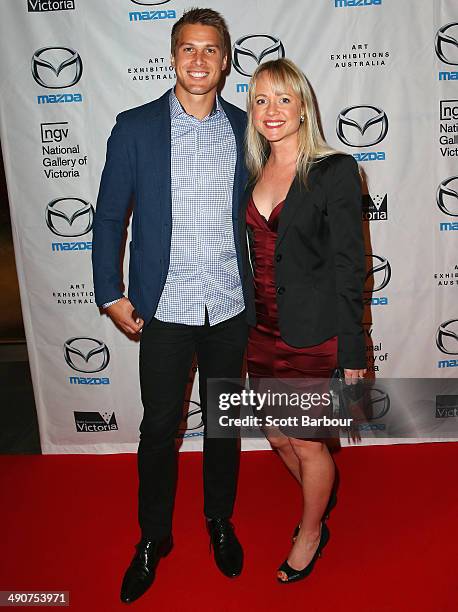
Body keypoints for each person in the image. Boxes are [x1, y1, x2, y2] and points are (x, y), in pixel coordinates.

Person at [92, 8, 251, 603]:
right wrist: (110, 290)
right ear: (173, 56)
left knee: (223, 426)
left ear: (226, 59)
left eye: (211, 49)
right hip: (163, 308)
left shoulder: (245, 128)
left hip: (231, 308)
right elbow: (109, 215)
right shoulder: (135, 127)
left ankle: (218, 521)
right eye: (189, 48)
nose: (199, 60)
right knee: (160, 429)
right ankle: (154, 539)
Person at [240, 58, 366, 583]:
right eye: (262, 100)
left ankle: (311, 530)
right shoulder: (249, 171)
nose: (273, 110)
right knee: (276, 435)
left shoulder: (335, 170)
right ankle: (318, 502)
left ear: (303, 106)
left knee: (309, 442)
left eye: (284, 99)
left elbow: (350, 266)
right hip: (260, 329)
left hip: (315, 333)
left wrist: (354, 352)